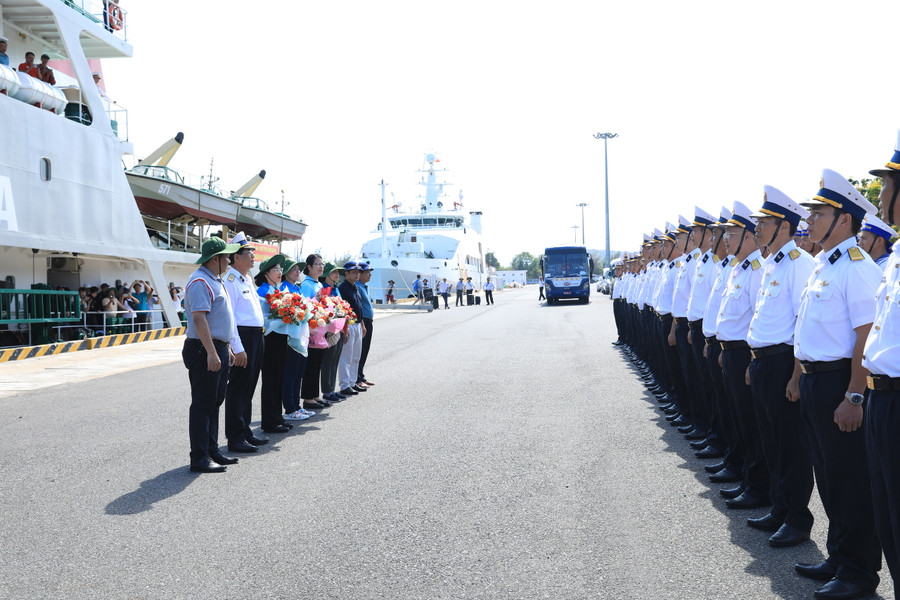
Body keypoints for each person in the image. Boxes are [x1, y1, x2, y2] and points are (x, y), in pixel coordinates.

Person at [790, 169, 882, 599]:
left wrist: (854, 395)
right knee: (827, 476)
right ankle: (839, 556)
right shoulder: (825, 264)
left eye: (818, 212)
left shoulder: (856, 268)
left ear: (843, 218)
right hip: (814, 382)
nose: (809, 221)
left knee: (849, 480)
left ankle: (859, 574)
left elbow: (866, 334)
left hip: (839, 384)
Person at [745, 188, 816, 548]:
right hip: (763, 362)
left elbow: (803, 324)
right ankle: (780, 506)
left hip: (785, 362)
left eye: (764, 222)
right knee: (771, 440)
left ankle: (798, 518)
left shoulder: (800, 264)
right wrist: (753, 362)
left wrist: (796, 374)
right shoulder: (772, 261)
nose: (757, 228)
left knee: (791, 445)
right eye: (758, 222)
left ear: (784, 226)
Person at [864, 130, 900, 595]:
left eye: (888, 185)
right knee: (889, 520)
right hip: (882, 400)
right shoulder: (894, 260)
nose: (879, 195)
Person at [182, 237, 241, 473]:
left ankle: (211, 449)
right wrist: (211, 352)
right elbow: (199, 319)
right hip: (203, 349)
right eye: (226, 256)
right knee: (203, 404)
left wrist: (225, 347)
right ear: (214, 259)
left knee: (214, 403)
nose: (228, 260)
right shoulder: (199, 281)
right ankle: (199, 456)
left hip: (217, 347)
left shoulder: (214, 280)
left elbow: (217, 319)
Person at [222, 233, 269, 453]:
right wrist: (237, 347)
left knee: (249, 387)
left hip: (256, 336)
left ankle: (246, 431)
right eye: (248, 253)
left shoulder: (246, 278)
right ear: (235, 257)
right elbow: (230, 317)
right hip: (243, 337)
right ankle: (235, 437)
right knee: (238, 388)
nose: (253, 256)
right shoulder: (230, 280)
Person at [255, 253, 292, 434]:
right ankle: (269, 421)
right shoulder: (262, 291)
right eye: (275, 270)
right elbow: (263, 318)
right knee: (270, 379)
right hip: (269, 338)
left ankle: (278, 417)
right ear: (265, 273)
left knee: (279, 377)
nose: (279, 272)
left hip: (281, 337)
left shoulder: (277, 290)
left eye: (280, 269)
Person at [299, 254, 329, 410]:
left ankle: (315, 394)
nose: (321, 267)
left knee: (318, 364)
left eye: (322, 264)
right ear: (309, 267)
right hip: (311, 330)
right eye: (317, 264)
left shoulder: (319, 285)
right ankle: (307, 398)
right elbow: (305, 306)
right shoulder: (306, 285)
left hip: (320, 329)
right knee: (310, 365)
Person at [337, 262, 367, 397]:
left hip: (357, 324)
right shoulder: (342, 288)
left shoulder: (355, 287)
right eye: (353, 271)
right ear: (346, 273)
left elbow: (358, 307)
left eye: (358, 271)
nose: (357, 274)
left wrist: (362, 324)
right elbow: (341, 309)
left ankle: (353, 382)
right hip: (348, 325)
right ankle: (345, 385)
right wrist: (345, 327)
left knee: (356, 356)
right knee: (346, 357)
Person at [319, 262, 347, 404]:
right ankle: (327, 391)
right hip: (328, 330)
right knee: (328, 361)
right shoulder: (323, 289)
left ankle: (331, 389)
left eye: (338, 272)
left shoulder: (336, 288)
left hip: (339, 327)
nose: (337, 274)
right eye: (334, 272)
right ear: (326, 274)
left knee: (335, 360)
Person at [356, 262, 375, 388]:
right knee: (360, 351)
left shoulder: (363, 286)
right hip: (362, 322)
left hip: (368, 321)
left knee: (365, 350)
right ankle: (357, 378)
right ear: (360, 273)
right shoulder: (357, 286)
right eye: (367, 272)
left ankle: (361, 375)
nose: (370, 275)